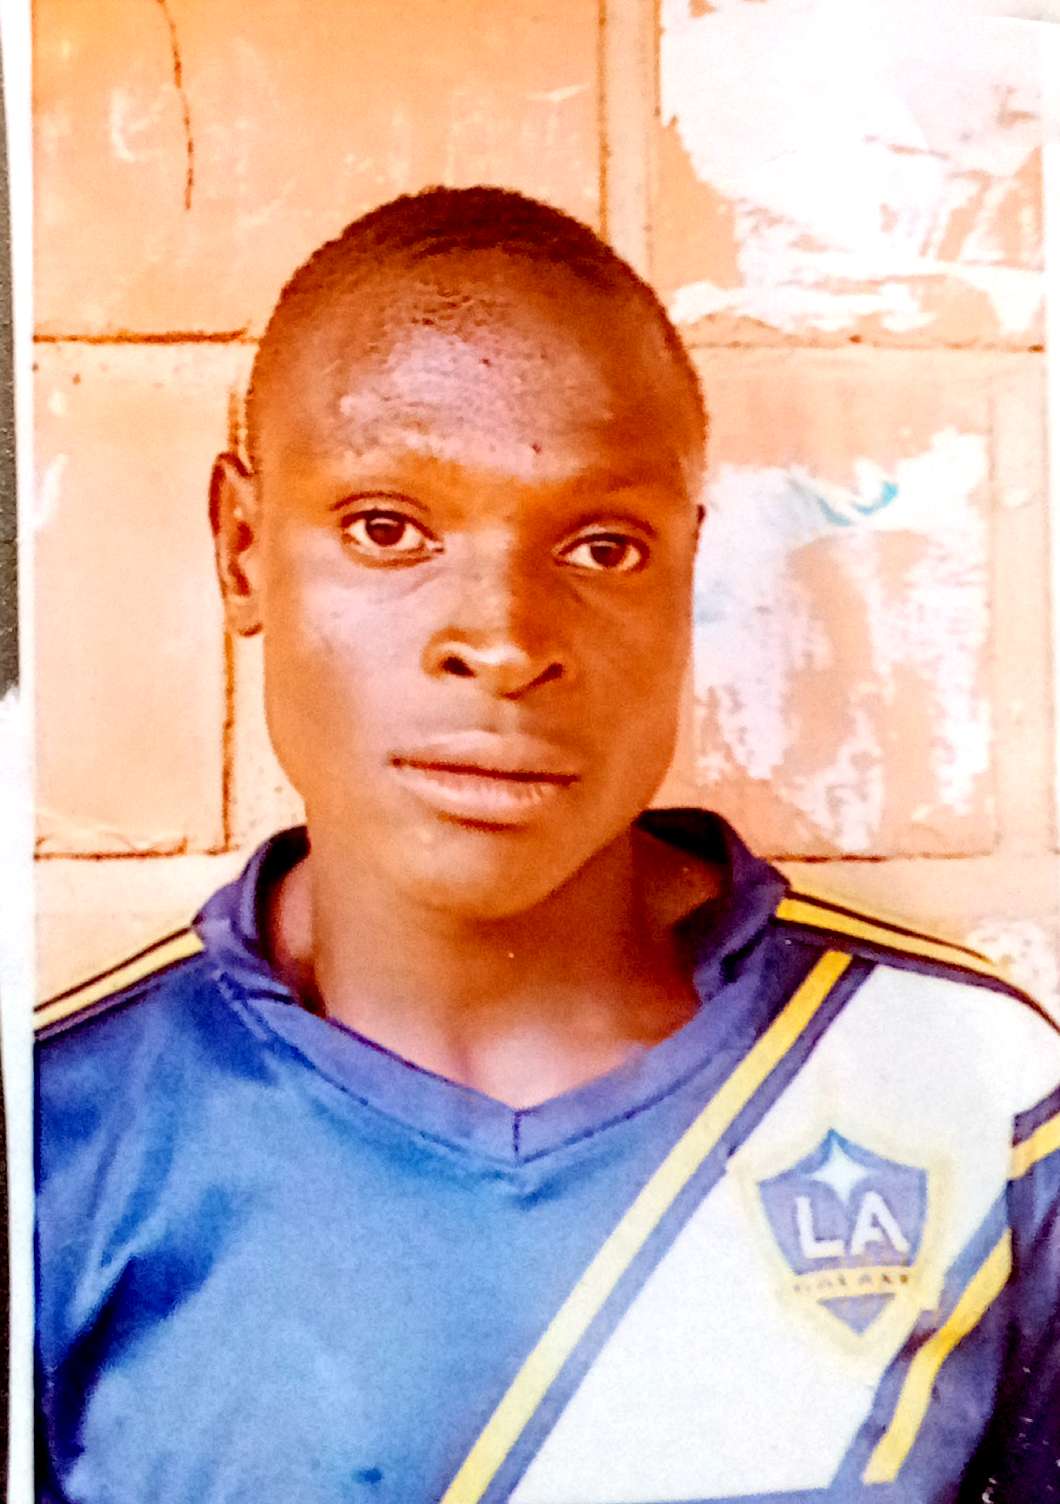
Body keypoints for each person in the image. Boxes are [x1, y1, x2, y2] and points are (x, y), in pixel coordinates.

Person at [34, 186, 1060, 1504]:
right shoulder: (58, 1144)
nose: (507, 640)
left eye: (602, 545)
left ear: (686, 568)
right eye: (388, 529)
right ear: (242, 549)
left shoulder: (975, 1095)